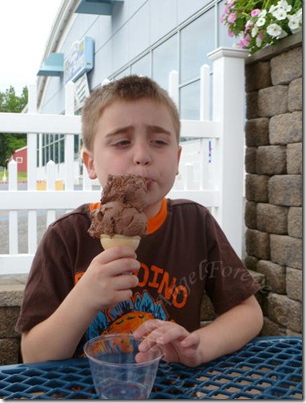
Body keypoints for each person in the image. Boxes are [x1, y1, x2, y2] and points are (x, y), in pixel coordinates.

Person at [16, 75, 263, 365]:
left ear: (178, 157)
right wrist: (84, 299)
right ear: (90, 163)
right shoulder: (66, 236)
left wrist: (199, 346)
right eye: (121, 142)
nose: (142, 156)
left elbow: (249, 312)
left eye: (159, 141)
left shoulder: (196, 224)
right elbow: (33, 354)